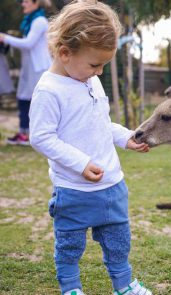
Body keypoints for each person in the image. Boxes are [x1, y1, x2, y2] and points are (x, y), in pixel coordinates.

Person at [28, 1, 153, 294]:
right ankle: (71, 287)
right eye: (95, 64)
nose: (98, 72)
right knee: (69, 244)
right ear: (64, 53)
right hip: (74, 189)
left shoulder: (89, 80)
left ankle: (124, 285)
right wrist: (81, 163)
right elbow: (41, 137)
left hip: (111, 184)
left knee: (119, 240)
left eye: (103, 66)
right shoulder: (49, 91)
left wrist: (125, 137)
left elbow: (99, 124)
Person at [0, 0, 52, 145]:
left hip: (38, 68)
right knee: (22, 97)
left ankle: (32, 135)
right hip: (29, 68)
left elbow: (29, 44)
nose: (23, 4)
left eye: (26, 1)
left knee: (34, 100)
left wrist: (5, 38)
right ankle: (23, 132)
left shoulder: (39, 21)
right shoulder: (30, 21)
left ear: (36, 3)